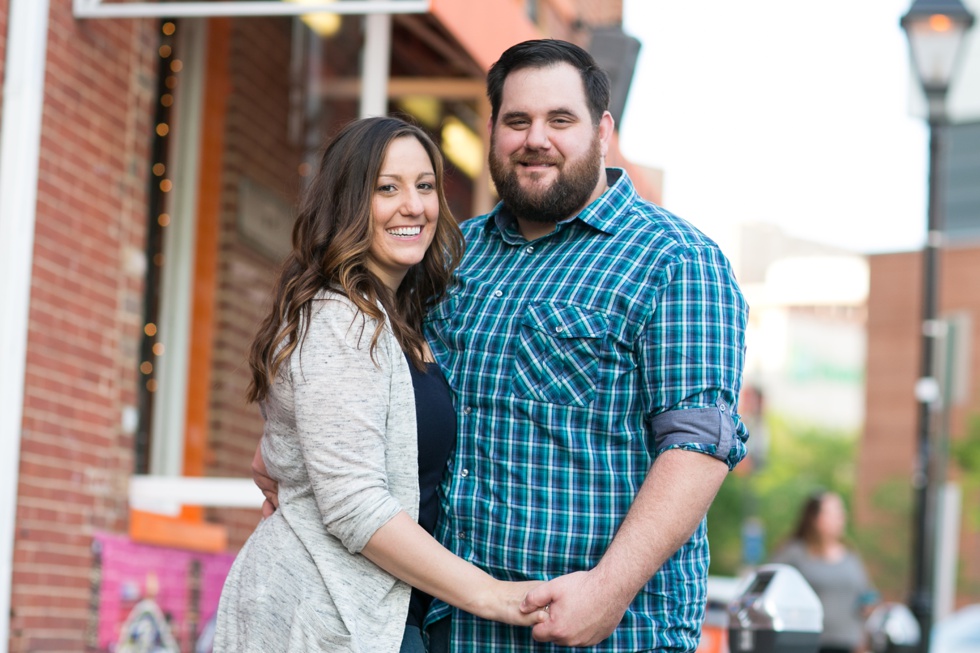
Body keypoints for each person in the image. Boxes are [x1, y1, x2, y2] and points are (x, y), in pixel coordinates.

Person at [257, 39, 750, 652]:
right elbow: (355, 369)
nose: (535, 138)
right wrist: (287, 442)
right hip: (445, 627)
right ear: (494, 131)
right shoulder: (448, 256)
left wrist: (610, 588)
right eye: (517, 121)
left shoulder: (675, 260)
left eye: (560, 120)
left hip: (601, 630)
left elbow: (698, 446)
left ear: (602, 130)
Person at [214, 116, 546, 653]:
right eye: (387, 188)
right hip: (321, 614)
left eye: (425, 185)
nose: (413, 206)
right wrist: (493, 596)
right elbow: (355, 504)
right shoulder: (341, 320)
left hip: (377, 613)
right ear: (348, 204)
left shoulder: (398, 319)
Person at [770, 491, 879, 653]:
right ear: (815, 518)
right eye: (834, 512)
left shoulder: (850, 555)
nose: (841, 518)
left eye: (841, 512)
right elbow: (770, 587)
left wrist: (869, 605)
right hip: (808, 644)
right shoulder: (795, 553)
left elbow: (866, 593)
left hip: (849, 644)